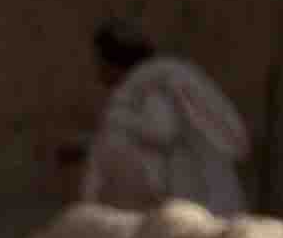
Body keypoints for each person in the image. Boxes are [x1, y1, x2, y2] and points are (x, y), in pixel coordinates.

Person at [78, 18, 252, 219]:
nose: (98, 70)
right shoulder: (156, 81)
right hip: (199, 195)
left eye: (99, 61)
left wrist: (119, 120)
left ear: (112, 62)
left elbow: (161, 130)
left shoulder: (152, 87)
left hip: (200, 194)